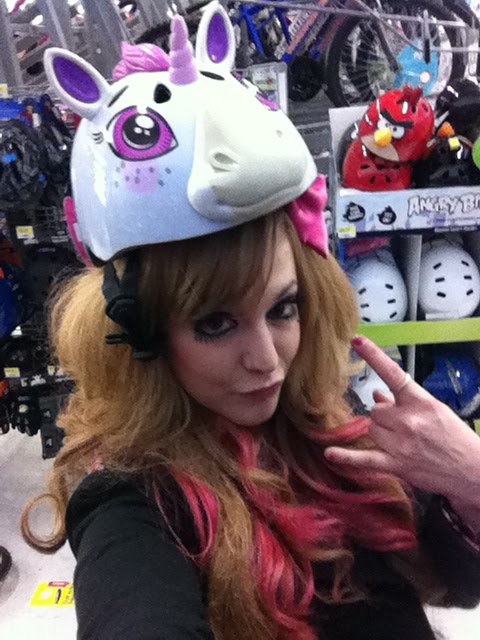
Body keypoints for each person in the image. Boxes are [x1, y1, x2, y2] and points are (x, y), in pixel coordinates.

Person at [21, 3, 480, 639]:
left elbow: (459, 580)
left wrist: (468, 478)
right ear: (143, 334)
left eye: (282, 308)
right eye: (215, 324)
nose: (267, 359)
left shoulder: (327, 417)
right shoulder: (133, 501)